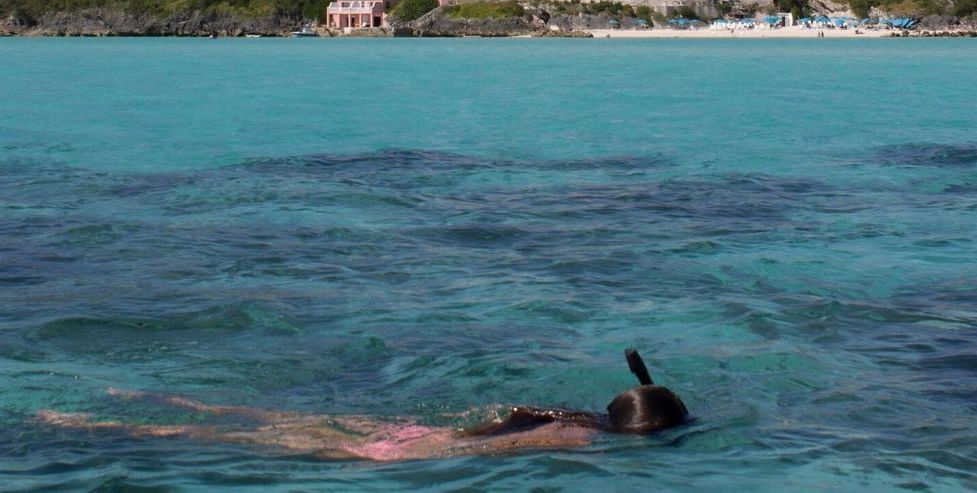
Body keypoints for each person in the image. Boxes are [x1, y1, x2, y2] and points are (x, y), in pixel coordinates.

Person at [37, 349, 688, 462]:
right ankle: (97, 421)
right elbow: (496, 451)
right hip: (406, 450)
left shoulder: (570, 414)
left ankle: (147, 398)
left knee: (268, 423)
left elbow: (501, 426)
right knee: (240, 442)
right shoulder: (579, 439)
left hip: (411, 428)